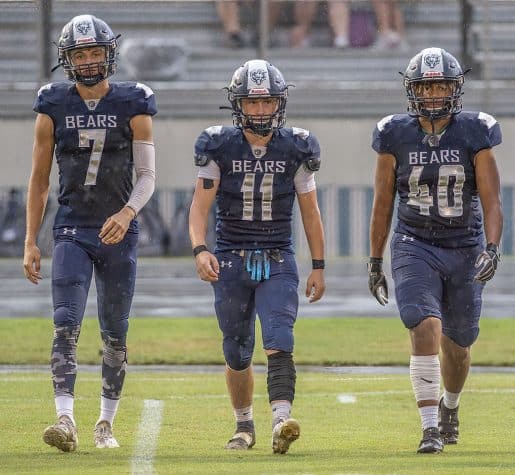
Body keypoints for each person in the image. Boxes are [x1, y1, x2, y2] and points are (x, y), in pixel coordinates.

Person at [23, 14, 157, 452]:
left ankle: (105, 422)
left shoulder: (134, 102)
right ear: (67, 59)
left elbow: (148, 175)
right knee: (65, 325)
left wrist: (127, 212)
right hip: (72, 230)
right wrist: (30, 240)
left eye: (95, 52)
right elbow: (39, 179)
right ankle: (65, 419)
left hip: (119, 231)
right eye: (79, 54)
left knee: (115, 331)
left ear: (109, 54)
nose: (88, 61)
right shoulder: (53, 105)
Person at [368, 47, 503, 454]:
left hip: (464, 243)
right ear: (413, 90)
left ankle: (450, 404)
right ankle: (429, 429)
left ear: (455, 88)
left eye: (440, 85)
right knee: (423, 325)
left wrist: (492, 248)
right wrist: (375, 261)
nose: (432, 95)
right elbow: (382, 202)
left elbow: (493, 199)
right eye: (425, 87)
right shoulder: (395, 133)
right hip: (415, 242)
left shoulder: (475, 131)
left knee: (459, 346)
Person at [189, 59, 326, 454]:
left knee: (280, 337)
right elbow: (199, 207)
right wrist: (200, 249)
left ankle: (282, 421)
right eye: (253, 102)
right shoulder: (219, 144)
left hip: (278, 256)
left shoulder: (296, 146)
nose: (261, 110)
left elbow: (310, 211)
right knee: (236, 348)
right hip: (231, 255)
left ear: (279, 103)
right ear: (239, 104)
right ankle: (244, 424)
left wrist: (318, 266)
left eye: (267, 102)